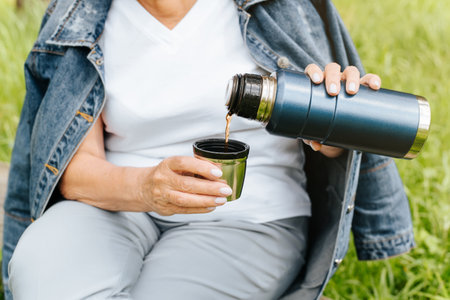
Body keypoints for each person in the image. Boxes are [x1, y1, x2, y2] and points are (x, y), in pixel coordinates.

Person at [2, 0, 416, 299]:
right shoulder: (79, 17)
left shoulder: (278, 8)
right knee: (44, 276)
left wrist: (333, 112)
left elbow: (332, 151)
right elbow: (75, 170)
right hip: (116, 202)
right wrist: (147, 188)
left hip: (248, 216)